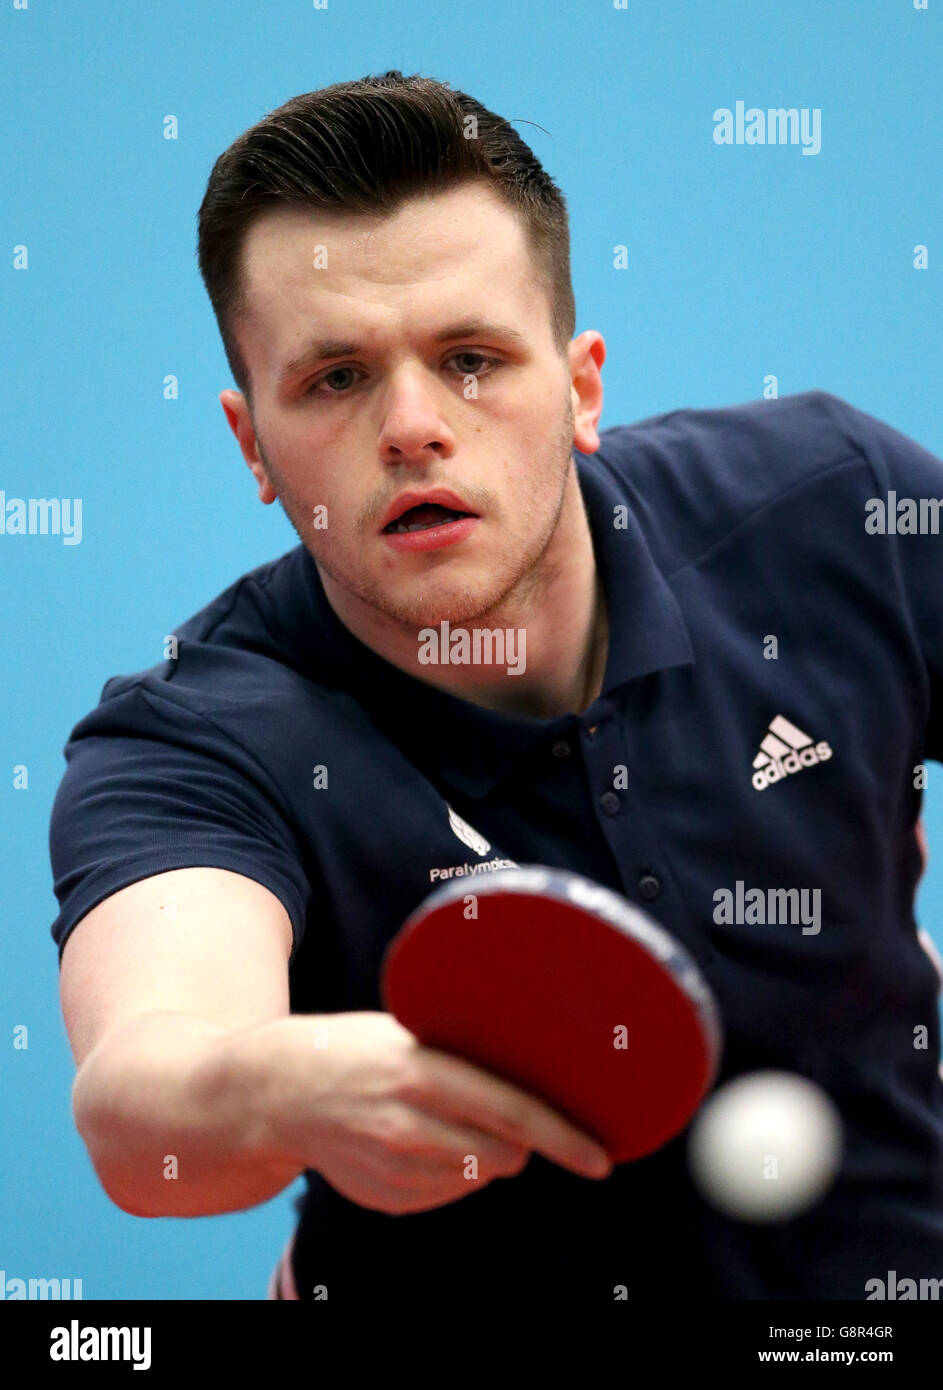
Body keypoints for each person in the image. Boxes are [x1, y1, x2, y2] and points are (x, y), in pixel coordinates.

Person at [49, 70, 943, 1304]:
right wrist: (277, 1086)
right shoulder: (194, 738)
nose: (413, 424)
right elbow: (141, 1110)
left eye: (469, 357)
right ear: (251, 443)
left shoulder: (833, 507)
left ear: (581, 386)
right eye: (335, 379)